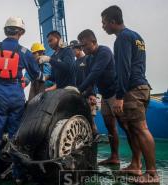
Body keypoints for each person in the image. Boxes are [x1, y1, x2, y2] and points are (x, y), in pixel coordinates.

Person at [0, 17, 45, 185]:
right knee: (15, 137)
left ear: (5, 30)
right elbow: (36, 76)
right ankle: (18, 176)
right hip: (16, 95)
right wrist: (42, 72)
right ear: (21, 32)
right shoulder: (24, 52)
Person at [102, 5, 158, 183]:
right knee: (134, 129)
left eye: (104, 23)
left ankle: (151, 174)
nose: (103, 26)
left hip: (132, 90)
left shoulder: (122, 38)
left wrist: (119, 97)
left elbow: (124, 69)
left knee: (141, 129)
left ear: (112, 21)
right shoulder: (136, 36)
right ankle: (135, 165)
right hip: (142, 86)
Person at [77, 29, 120, 164]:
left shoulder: (104, 52)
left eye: (84, 45)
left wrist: (78, 90)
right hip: (104, 95)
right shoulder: (89, 59)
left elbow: (94, 74)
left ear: (94, 42)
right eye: (81, 46)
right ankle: (115, 157)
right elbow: (90, 81)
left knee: (125, 126)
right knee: (110, 126)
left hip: (115, 93)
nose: (83, 48)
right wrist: (88, 94)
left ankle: (137, 161)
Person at [70, 40, 97, 134]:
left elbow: (94, 77)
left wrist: (93, 94)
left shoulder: (88, 59)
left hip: (89, 95)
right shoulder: (74, 63)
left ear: (79, 48)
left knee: (91, 122)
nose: (71, 51)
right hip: (79, 96)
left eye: (73, 49)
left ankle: (95, 144)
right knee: (82, 122)